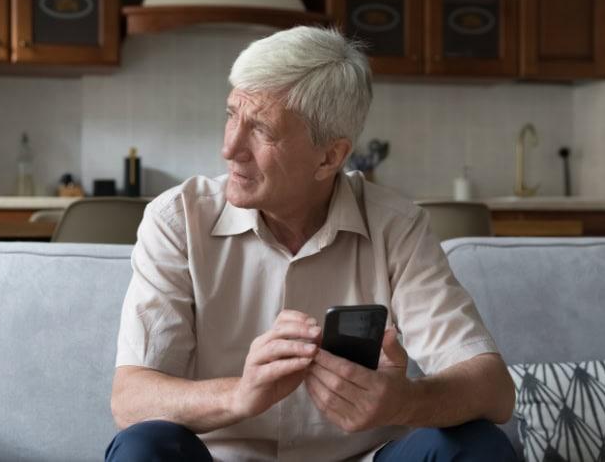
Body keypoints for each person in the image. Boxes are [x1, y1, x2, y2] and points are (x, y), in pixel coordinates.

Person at [106, 26, 516, 461]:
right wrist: (239, 396)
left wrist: (404, 402)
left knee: (477, 444)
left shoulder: (396, 226)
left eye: (261, 129)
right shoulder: (178, 219)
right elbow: (130, 399)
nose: (229, 148)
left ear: (330, 157)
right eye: (231, 115)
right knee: (142, 447)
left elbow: (494, 389)